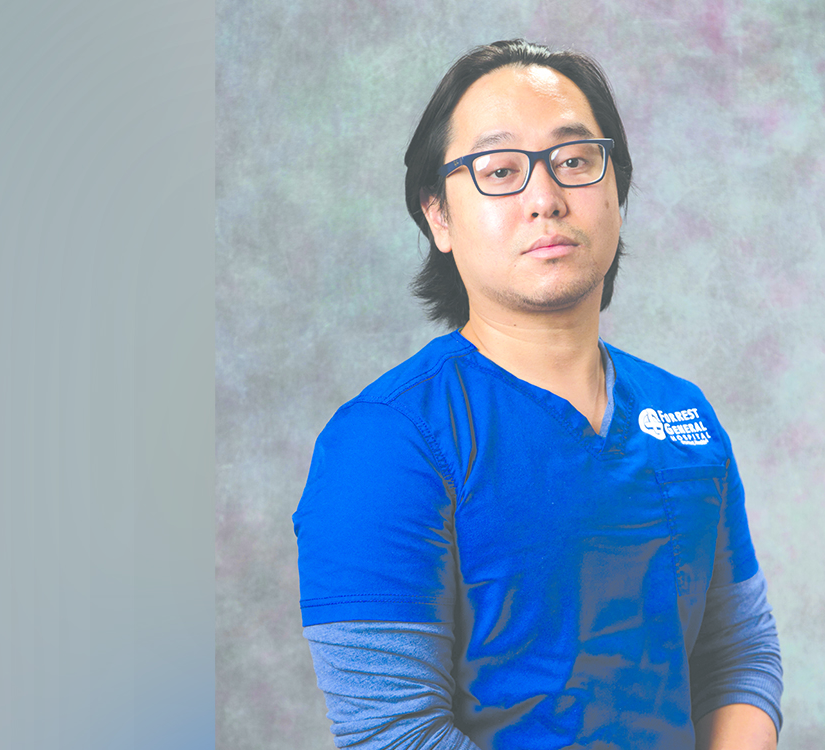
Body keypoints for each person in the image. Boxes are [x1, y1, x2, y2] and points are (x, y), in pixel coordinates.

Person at [294, 39, 783, 749]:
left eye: (575, 161)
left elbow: (738, 657)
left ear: (617, 194)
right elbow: (393, 732)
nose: (545, 199)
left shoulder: (686, 415)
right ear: (438, 216)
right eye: (500, 170)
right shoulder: (384, 440)